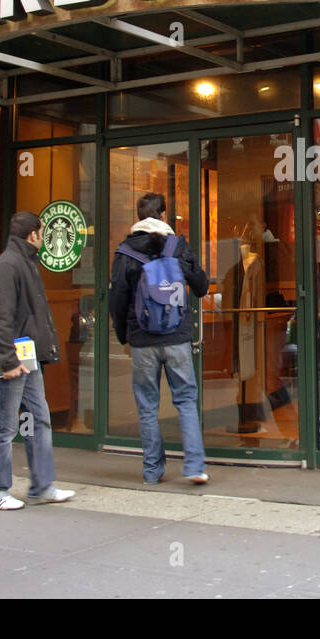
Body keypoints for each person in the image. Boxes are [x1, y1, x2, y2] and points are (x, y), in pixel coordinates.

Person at [110, 193, 209, 485]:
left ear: (139, 217)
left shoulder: (125, 251)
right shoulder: (177, 246)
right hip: (176, 335)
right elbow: (201, 286)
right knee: (186, 400)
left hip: (142, 340)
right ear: (164, 215)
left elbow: (117, 297)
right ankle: (194, 467)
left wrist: (123, 335)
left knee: (147, 405)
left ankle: (152, 470)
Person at [0, 211, 74, 510]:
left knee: (37, 419)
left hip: (25, 357)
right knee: (4, 425)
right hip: (11, 359)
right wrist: (7, 362)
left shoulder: (24, 263)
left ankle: (42, 486)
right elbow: (0, 318)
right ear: (33, 234)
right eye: (43, 232)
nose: (44, 238)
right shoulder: (8, 266)